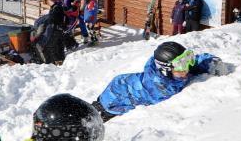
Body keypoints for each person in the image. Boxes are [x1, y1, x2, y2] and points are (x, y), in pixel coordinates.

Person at [91, 41, 226, 122]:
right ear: (165, 69)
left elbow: (197, 61)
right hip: (115, 99)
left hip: (124, 84)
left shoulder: (178, 71)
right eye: (181, 65)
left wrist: (212, 63)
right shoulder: (161, 88)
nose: (187, 68)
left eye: (187, 61)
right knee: (95, 118)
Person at [30, 0, 66, 64]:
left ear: (49, 0)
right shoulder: (56, 7)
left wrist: (45, 20)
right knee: (57, 46)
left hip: (57, 29)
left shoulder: (56, 8)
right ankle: (59, 62)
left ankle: (56, 62)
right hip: (58, 29)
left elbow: (53, 19)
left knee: (52, 46)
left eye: (47, 1)